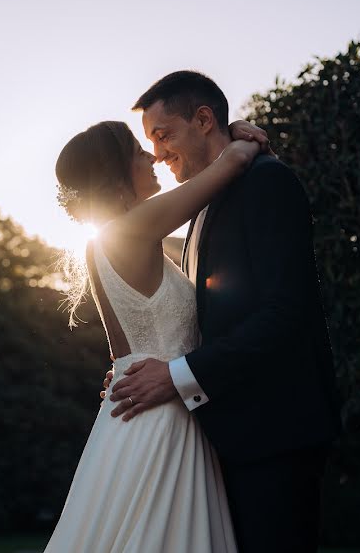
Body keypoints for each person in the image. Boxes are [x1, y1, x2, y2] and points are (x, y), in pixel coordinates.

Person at [105, 70, 343, 552]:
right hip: (224, 437)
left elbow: (286, 312)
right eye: (149, 142)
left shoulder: (267, 181)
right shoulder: (201, 206)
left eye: (163, 135)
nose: (157, 152)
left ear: (205, 119)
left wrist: (176, 375)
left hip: (275, 433)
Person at [44, 118, 265, 552]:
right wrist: (231, 134)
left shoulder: (111, 238)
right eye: (137, 151)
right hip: (160, 418)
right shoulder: (133, 228)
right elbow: (232, 163)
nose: (152, 156)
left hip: (143, 406)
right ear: (117, 170)